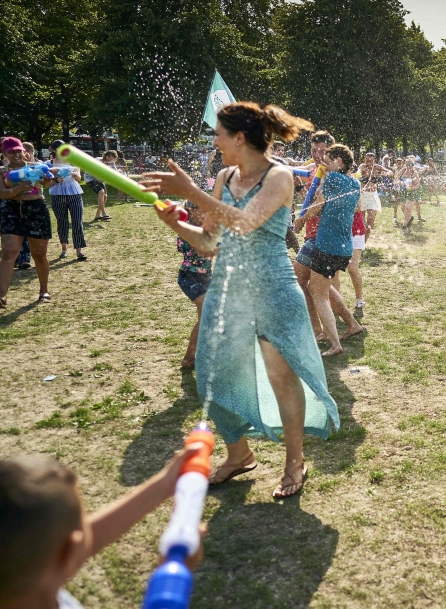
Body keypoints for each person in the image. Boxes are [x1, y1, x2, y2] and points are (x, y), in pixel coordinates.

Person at [144, 101, 341, 498]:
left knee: (281, 378)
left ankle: (293, 463)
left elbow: (248, 223)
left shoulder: (279, 176)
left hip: (272, 289)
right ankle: (239, 455)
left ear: (238, 137)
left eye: (218, 134)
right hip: (227, 290)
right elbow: (210, 244)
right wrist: (179, 225)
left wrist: (192, 192)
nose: (214, 142)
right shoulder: (224, 176)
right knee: (213, 376)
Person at [0, 448, 206, 609]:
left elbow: (54, 547)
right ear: (68, 554)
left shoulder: (17, 576)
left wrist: (163, 485)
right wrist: (173, 576)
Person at [295, 143, 365, 355]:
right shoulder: (354, 183)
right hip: (343, 246)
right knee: (316, 286)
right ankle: (331, 330)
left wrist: (300, 221)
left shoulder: (333, 178)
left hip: (327, 244)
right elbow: (356, 208)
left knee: (319, 294)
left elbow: (318, 206)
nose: (324, 162)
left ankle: (334, 343)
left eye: (329, 159)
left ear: (340, 162)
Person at [0, 137, 53, 308]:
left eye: (19, 151)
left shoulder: (35, 167)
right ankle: (2, 296)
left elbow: (47, 183)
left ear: (24, 151)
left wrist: (48, 177)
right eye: (11, 151)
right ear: (4, 153)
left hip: (36, 209)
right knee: (9, 253)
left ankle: (44, 290)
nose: (16, 154)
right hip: (11, 211)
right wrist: (19, 188)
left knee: (39, 254)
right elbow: (2, 194)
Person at [176, 202, 216, 368]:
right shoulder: (187, 229)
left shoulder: (206, 226)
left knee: (206, 318)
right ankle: (188, 358)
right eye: (202, 208)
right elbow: (204, 251)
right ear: (191, 210)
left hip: (206, 277)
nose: (205, 213)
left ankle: (199, 355)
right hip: (189, 277)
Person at [46, 140, 88, 261]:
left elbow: (79, 178)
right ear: (53, 150)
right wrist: (55, 179)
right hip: (57, 194)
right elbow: (46, 182)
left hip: (74, 193)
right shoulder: (49, 163)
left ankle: (79, 251)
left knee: (77, 221)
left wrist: (75, 175)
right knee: (62, 222)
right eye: (58, 148)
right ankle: (64, 249)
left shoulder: (73, 162)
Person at [358, 151, 389, 238]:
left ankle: (364, 241)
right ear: (364, 160)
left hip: (372, 196)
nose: (369, 163)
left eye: (371, 161)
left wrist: (387, 173)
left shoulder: (376, 167)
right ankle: (360, 241)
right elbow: (358, 172)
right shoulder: (362, 167)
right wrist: (358, 174)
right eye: (367, 160)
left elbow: (389, 171)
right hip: (362, 195)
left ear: (374, 161)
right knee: (361, 221)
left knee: (370, 221)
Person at [86, 152, 114, 221]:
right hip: (90, 178)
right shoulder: (97, 160)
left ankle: (97, 215)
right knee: (101, 192)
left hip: (100, 180)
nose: (112, 160)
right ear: (107, 156)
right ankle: (104, 213)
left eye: (113, 159)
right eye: (111, 158)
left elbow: (115, 172)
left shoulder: (112, 163)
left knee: (105, 196)